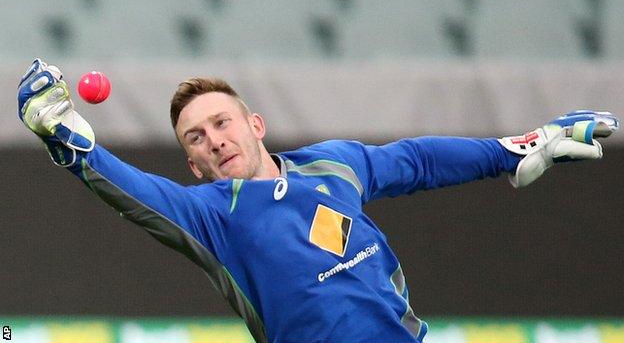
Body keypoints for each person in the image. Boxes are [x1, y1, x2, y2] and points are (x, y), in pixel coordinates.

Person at [17, 59, 619, 343]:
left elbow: (418, 159)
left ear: (255, 124)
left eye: (222, 122)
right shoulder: (208, 217)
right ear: (193, 166)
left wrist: (515, 149)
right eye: (195, 139)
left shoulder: (331, 165)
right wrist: (67, 140)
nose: (214, 140)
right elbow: (128, 190)